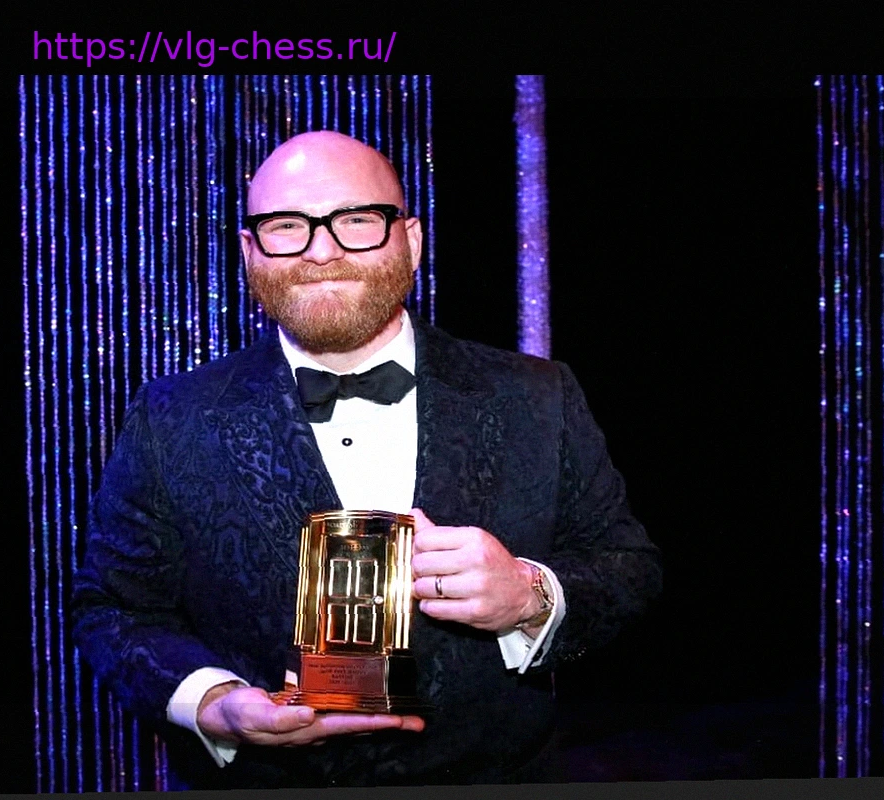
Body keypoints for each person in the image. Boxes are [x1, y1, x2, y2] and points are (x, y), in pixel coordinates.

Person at [72, 131, 662, 788]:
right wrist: (215, 703)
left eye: (356, 220)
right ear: (249, 251)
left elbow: (628, 569)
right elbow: (113, 610)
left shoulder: (537, 396)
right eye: (286, 225)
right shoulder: (170, 417)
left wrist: (529, 597)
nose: (321, 251)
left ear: (410, 240)